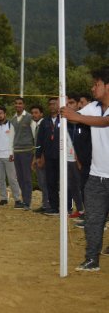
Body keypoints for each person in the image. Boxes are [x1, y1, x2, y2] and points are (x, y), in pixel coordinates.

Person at [61, 66, 109, 272]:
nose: (92, 88)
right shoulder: (93, 107)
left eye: (96, 84)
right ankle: (92, 259)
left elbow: (105, 121)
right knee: (93, 220)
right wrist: (66, 109)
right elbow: (75, 116)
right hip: (96, 177)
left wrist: (77, 116)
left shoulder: (99, 113)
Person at [0, 106, 23, 208]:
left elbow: (18, 139)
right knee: (0, 179)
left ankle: (17, 199)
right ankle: (3, 198)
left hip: (9, 156)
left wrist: (13, 153)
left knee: (12, 179)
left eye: (1, 113)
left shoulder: (12, 125)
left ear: (5, 114)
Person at [35, 97, 60, 216]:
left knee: (66, 183)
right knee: (51, 182)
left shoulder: (64, 119)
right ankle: (54, 207)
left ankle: (69, 207)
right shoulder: (45, 121)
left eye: (54, 104)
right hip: (49, 157)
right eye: (50, 104)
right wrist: (38, 156)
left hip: (62, 156)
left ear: (59, 105)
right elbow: (39, 140)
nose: (52, 106)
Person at [11, 97, 34, 210]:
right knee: (20, 178)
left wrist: (36, 151)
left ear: (24, 105)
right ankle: (24, 200)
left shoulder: (30, 117)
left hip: (27, 151)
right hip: (16, 151)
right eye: (16, 103)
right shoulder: (13, 119)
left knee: (27, 178)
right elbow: (11, 137)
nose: (18, 105)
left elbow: (35, 134)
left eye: (20, 103)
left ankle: (27, 202)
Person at [66, 93, 84, 218]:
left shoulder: (83, 120)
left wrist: (79, 156)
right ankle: (80, 209)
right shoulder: (64, 121)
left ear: (78, 104)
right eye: (67, 104)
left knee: (82, 186)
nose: (69, 106)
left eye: (71, 103)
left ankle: (88, 212)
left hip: (79, 160)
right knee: (72, 186)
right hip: (67, 158)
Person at [30, 105, 50, 213]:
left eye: (36, 112)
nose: (34, 115)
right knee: (42, 182)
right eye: (32, 113)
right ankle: (45, 204)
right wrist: (34, 158)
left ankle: (48, 205)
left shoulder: (44, 124)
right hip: (38, 157)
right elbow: (37, 144)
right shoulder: (38, 125)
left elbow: (45, 143)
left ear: (41, 114)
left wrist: (41, 158)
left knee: (45, 182)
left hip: (44, 158)